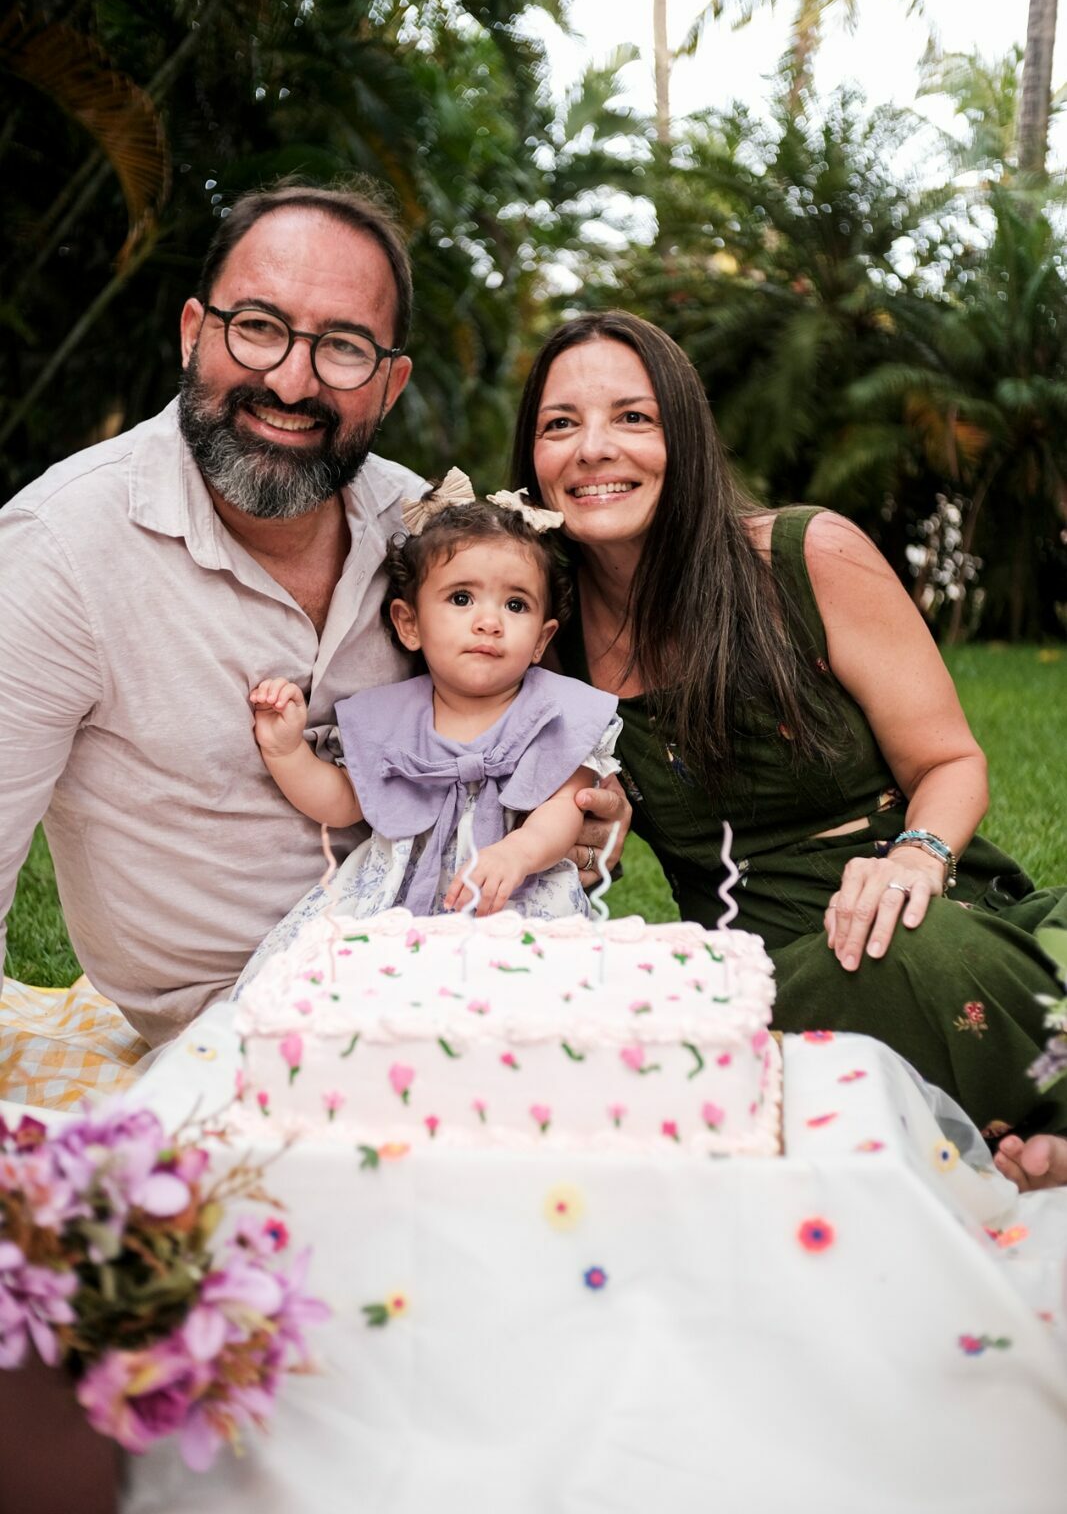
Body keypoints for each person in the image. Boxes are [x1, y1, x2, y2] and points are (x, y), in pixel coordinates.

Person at [0, 180, 626, 1052]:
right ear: (193, 332)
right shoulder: (60, 550)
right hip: (224, 1034)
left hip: (457, 976)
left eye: (342, 348)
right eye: (258, 327)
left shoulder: (424, 535)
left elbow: (517, 729)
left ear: (391, 383)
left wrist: (575, 820)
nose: (291, 382)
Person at [510, 309, 1067, 1188]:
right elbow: (554, 833)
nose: (592, 449)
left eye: (632, 417)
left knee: (916, 950)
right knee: (874, 971)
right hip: (756, 974)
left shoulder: (803, 558)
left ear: (684, 437)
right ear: (532, 457)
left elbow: (950, 762)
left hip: (920, 909)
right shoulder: (541, 634)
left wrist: (914, 858)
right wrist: (584, 841)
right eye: (559, 424)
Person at [237, 476, 621, 986]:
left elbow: (565, 806)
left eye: (516, 605)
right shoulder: (389, 717)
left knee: (526, 992)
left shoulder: (555, 711)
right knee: (343, 985)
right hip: (395, 899)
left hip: (515, 894)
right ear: (409, 624)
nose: (489, 622)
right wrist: (286, 751)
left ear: (541, 639)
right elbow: (345, 802)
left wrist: (518, 852)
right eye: (462, 598)